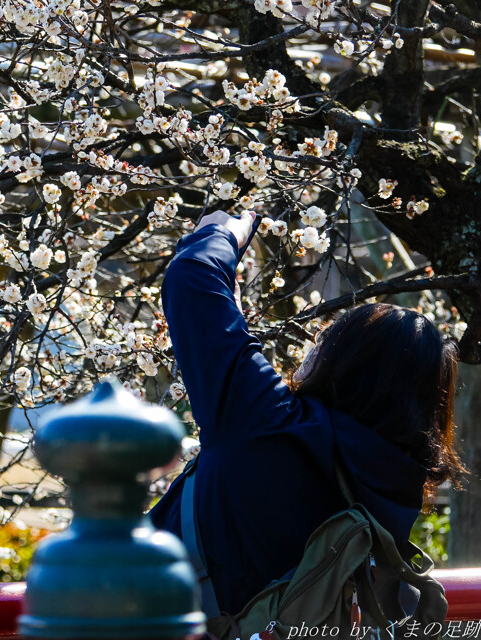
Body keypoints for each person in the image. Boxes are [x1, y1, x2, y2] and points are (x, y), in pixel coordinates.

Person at [148, 211, 464, 617]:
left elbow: (192, 276)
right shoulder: (396, 487)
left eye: (327, 338)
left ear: (345, 365)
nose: (313, 345)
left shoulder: (270, 421)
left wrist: (225, 229)